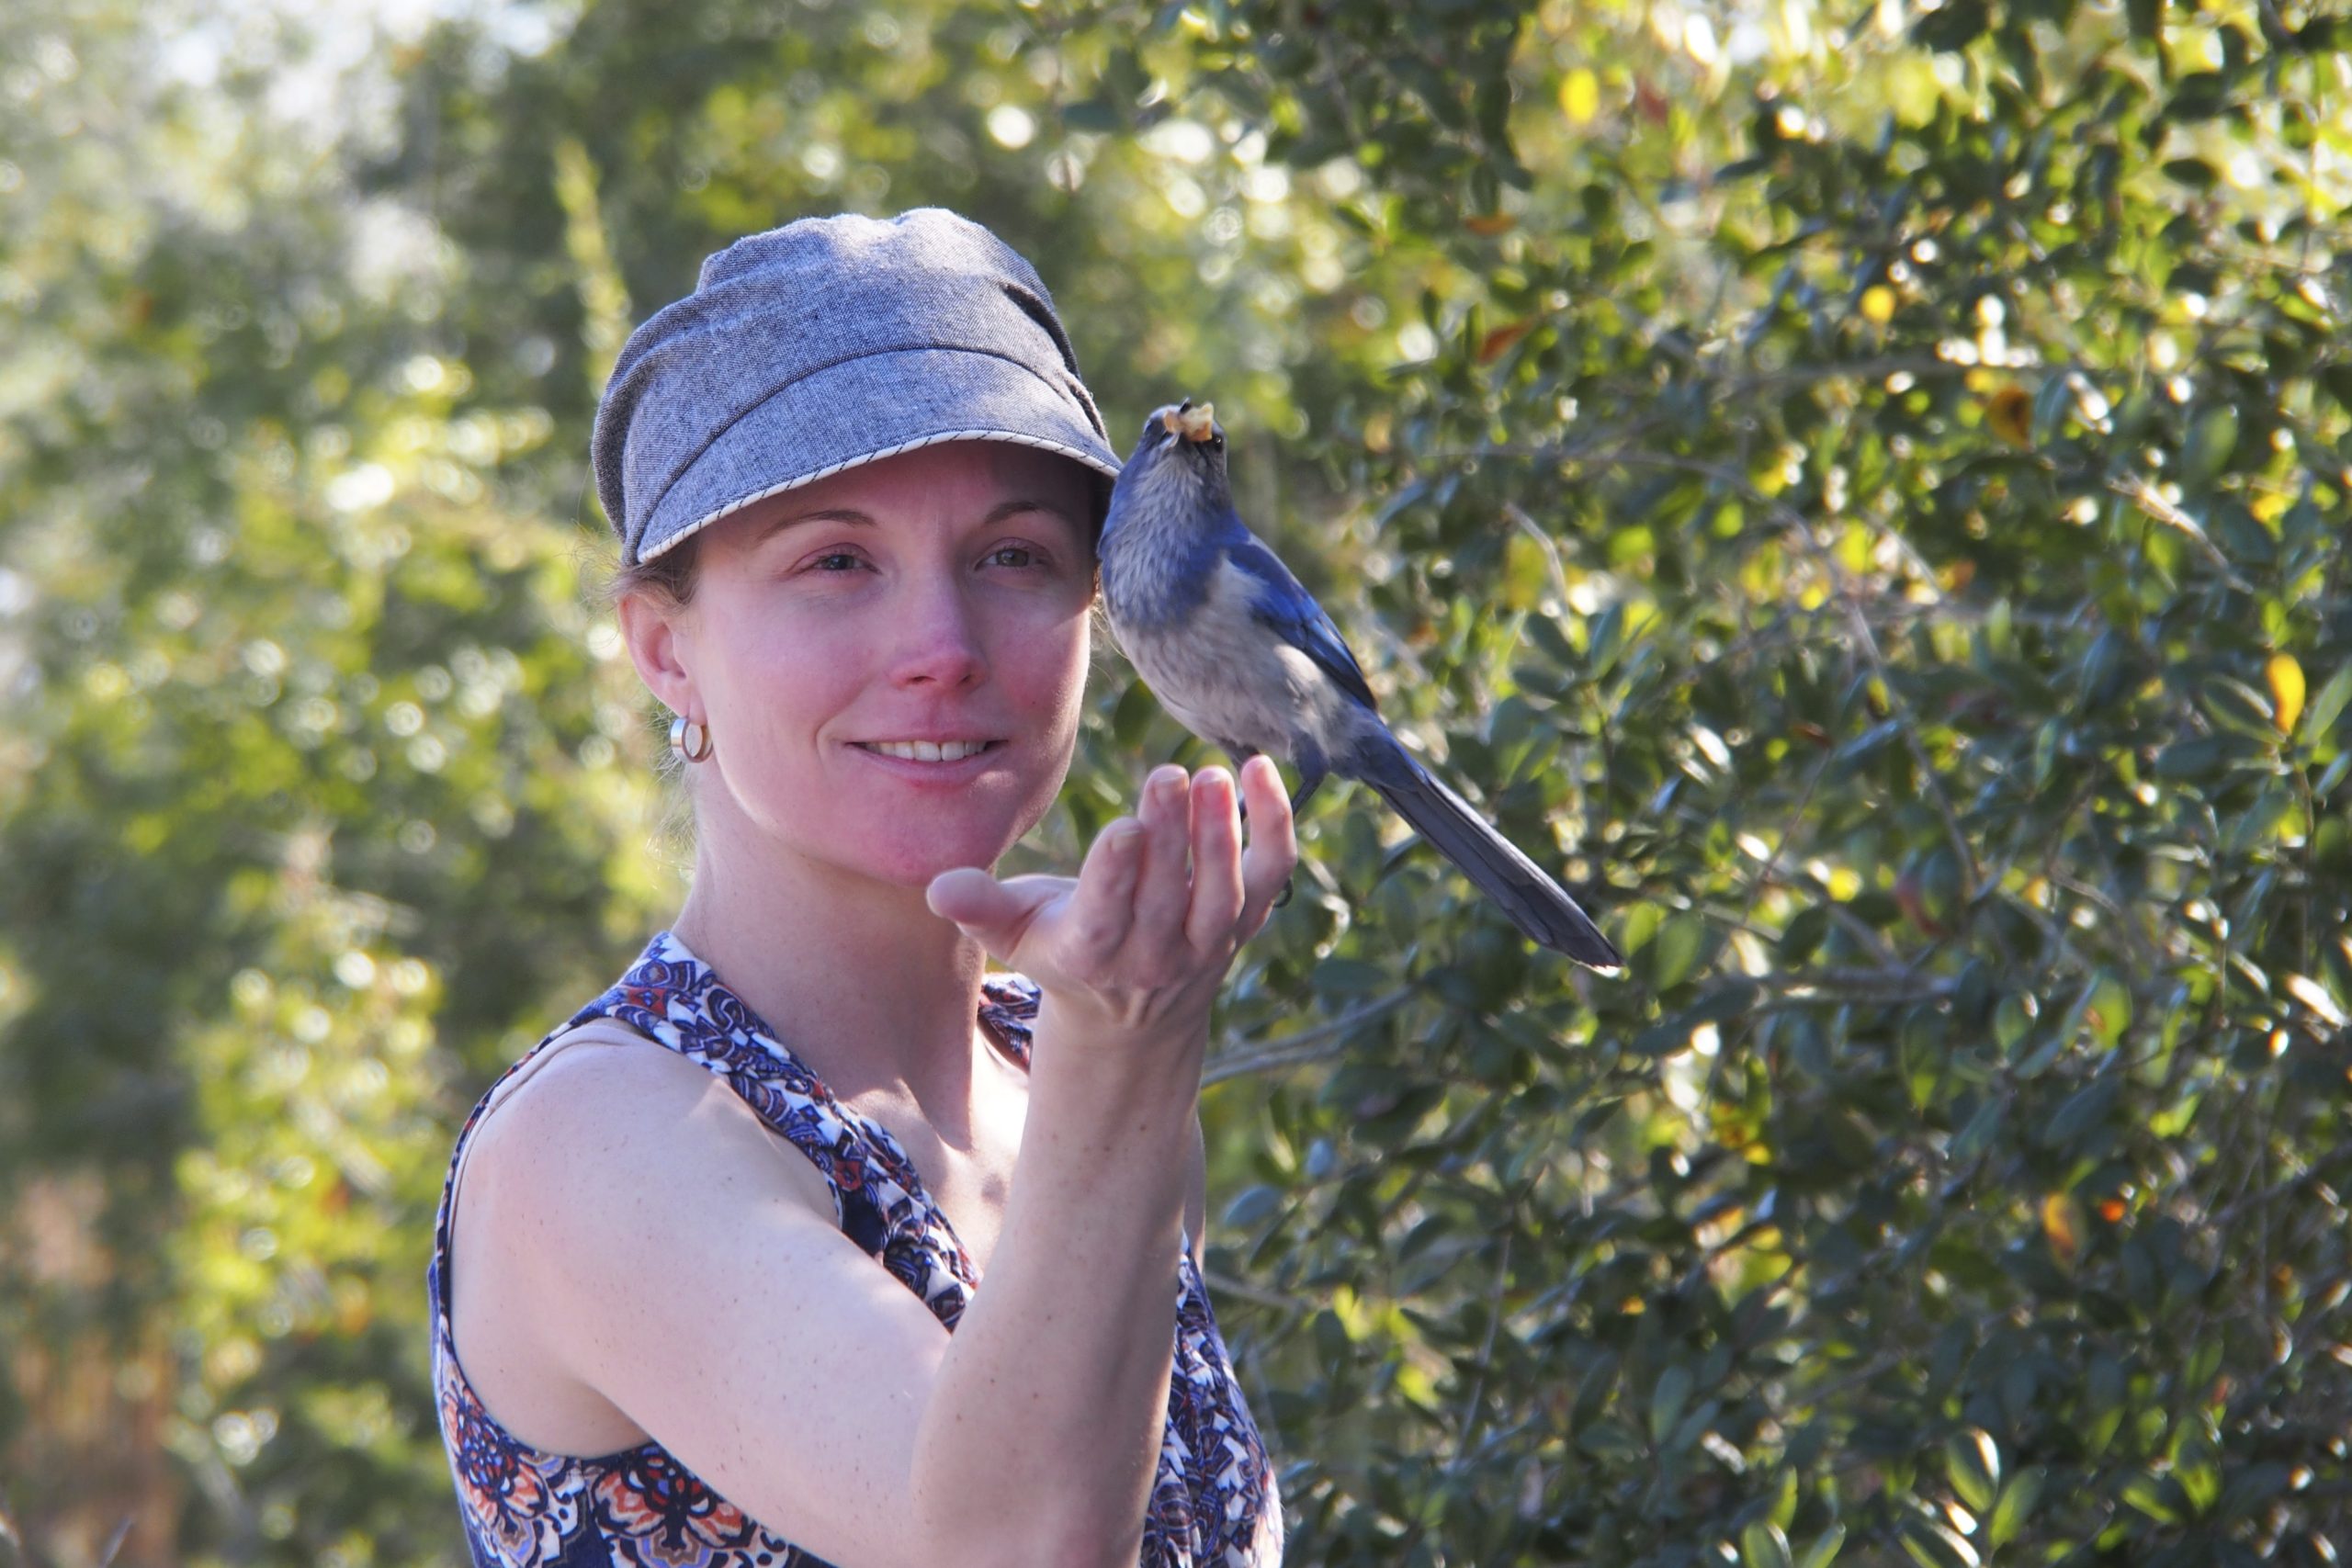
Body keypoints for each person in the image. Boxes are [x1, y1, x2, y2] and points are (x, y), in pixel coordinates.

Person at [425, 208, 1295, 1568]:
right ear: (666, 651)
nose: (941, 648)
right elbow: (1014, 1549)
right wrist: (1131, 1053)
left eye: (1014, 556)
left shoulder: (1060, 1080)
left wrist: (1113, 1062)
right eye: (836, 562)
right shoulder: (598, 1144)